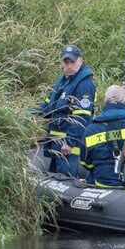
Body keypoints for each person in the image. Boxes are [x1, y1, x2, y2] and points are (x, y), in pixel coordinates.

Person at [31, 44, 96, 176]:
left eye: (72, 61)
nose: (69, 66)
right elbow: (48, 107)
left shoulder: (84, 84)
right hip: (56, 145)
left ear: (80, 61)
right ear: (62, 62)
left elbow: (82, 117)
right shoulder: (63, 81)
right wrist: (25, 113)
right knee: (55, 183)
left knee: (66, 182)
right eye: (66, 62)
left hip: (68, 149)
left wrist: (69, 142)